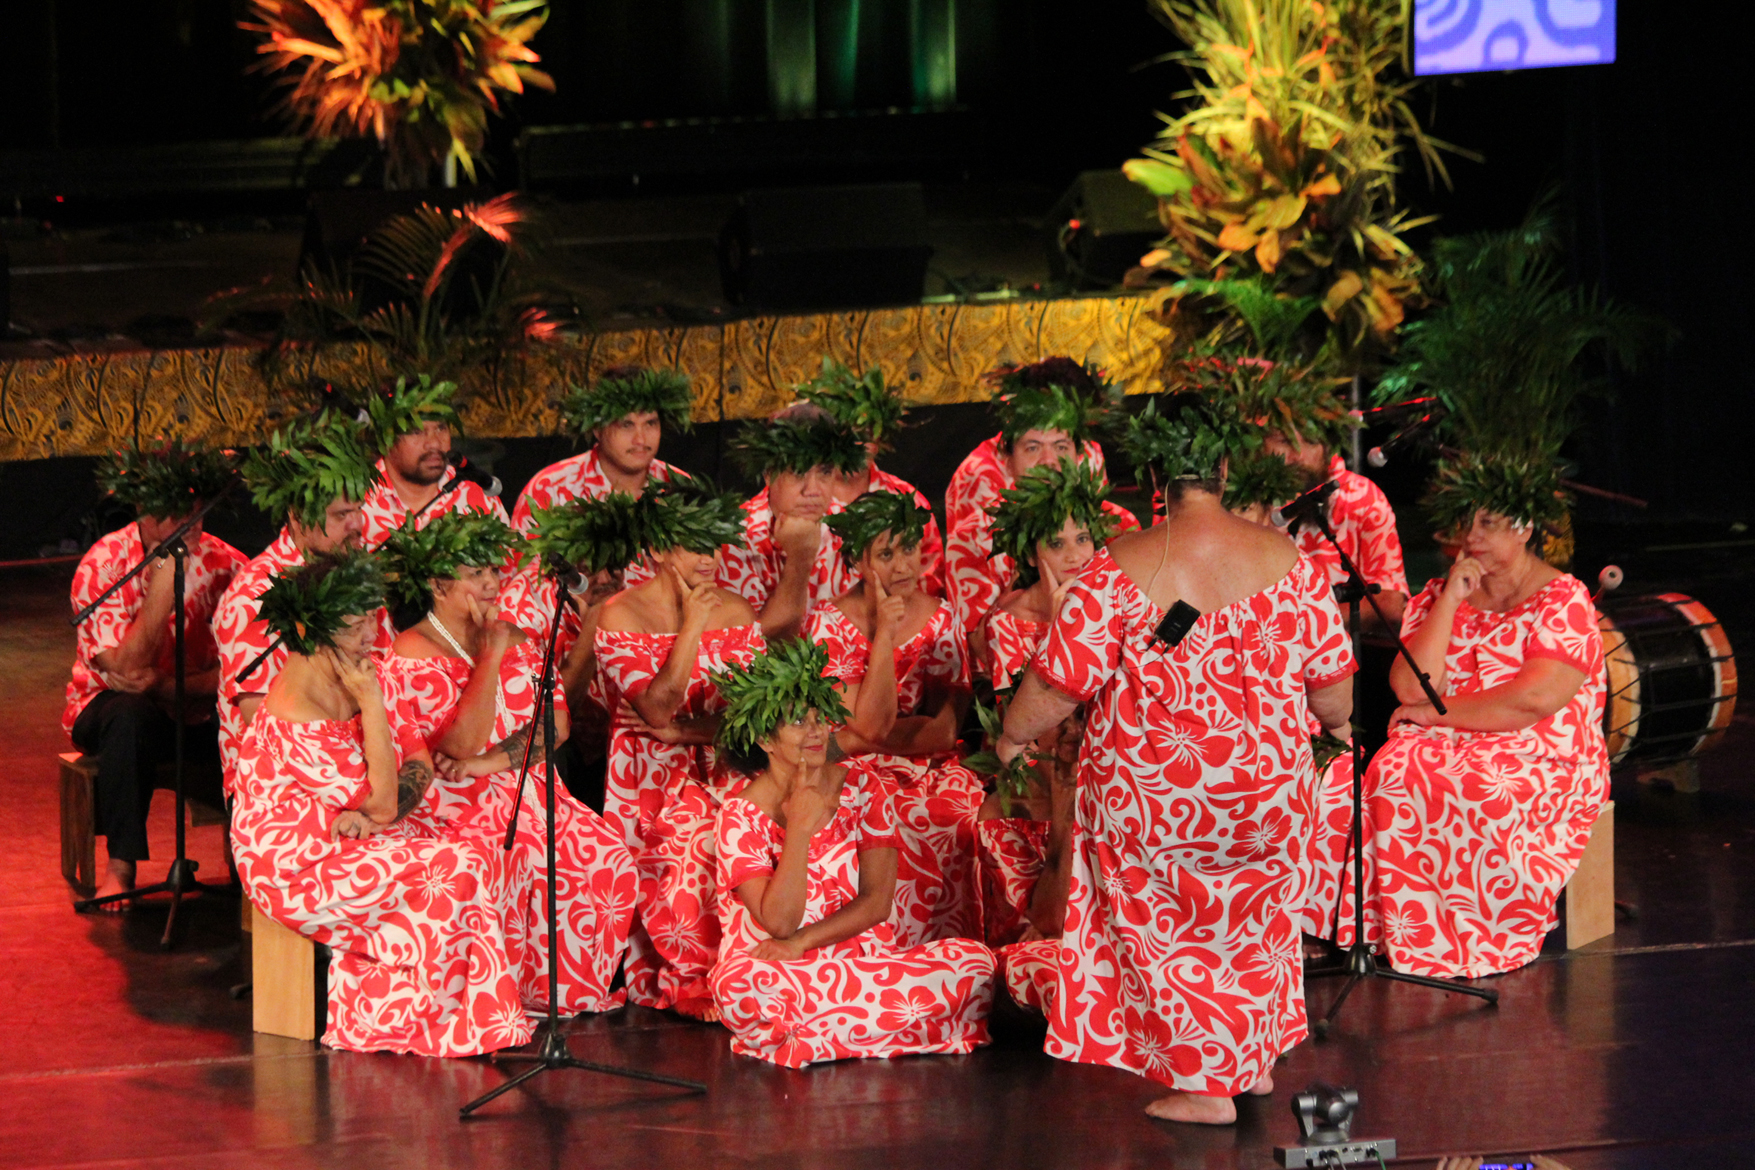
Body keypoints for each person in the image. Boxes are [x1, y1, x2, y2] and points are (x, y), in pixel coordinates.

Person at [996, 393, 1355, 1125]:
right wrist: (1331, 726)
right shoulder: (1288, 561)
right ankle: (1244, 1064)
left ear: (1154, 473)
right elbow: (1334, 697)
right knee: (1252, 924)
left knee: (1167, 928)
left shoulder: (1118, 567)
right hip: (1269, 795)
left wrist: (1008, 740)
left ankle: (1202, 1084)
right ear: (1225, 466)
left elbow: (1055, 686)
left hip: (1155, 804)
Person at [1314, 454, 1608, 979]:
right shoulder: (1440, 593)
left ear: (1522, 528)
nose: (1471, 537)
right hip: (1445, 732)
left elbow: (1531, 702)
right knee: (1376, 772)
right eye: (1466, 522)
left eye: (1487, 524)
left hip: (1536, 748)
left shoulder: (1563, 600)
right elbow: (1408, 685)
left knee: (1463, 780)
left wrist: (1435, 718)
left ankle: (1461, 938)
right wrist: (1450, 600)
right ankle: (1382, 931)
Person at [229, 550, 532, 1057]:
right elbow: (388, 801)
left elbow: (417, 764)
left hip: (362, 831)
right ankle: (416, 1018)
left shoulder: (365, 669)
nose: (371, 634)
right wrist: (372, 711)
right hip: (297, 860)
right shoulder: (297, 708)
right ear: (312, 631)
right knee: (452, 866)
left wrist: (379, 803)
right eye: (354, 626)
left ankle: (462, 1007)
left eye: (373, 616)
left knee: (488, 845)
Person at [378, 509, 637, 1014]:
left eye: (494, 570)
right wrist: (489, 658)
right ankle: (498, 994)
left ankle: (554, 993)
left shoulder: (519, 637)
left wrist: (492, 764)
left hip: (524, 788)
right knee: (513, 856)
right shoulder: (413, 651)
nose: (492, 583)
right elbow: (456, 747)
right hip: (452, 803)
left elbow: (557, 725)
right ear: (438, 583)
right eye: (476, 574)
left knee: (603, 854)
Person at [709, 637, 996, 1066]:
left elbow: (878, 903)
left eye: (819, 717)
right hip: (778, 970)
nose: (816, 731)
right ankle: (880, 1026)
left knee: (974, 964)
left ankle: (816, 1032)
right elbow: (781, 924)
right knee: (739, 986)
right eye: (797, 722)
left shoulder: (865, 788)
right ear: (766, 740)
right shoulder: (739, 815)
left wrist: (807, 942)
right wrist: (800, 830)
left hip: (863, 967)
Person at [588, 479, 765, 1018]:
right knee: (691, 830)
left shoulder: (737, 613)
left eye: (715, 544)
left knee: (742, 820)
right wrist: (690, 629)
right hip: (647, 779)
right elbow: (657, 711)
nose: (710, 559)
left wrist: (690, 733)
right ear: (660, 550)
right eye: (695, 545)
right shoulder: (621, 615)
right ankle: (687, 980)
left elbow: (753, 719)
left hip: (726, 764)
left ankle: (743, 968)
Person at [67, 442, 245, 905]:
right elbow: (125, 670)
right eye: (169, 512)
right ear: (143, 509)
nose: (183, 523)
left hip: (198, 706)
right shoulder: (103, 564)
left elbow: (243, 669)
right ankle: (120, 867)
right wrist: (166, 574)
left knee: (251, 716)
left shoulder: (231, 566)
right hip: (110, 704)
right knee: (129, 716)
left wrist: (174, 688)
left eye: (192, 510)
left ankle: (248, 867)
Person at [810, 492, 981, 946]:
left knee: (950, 812)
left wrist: (856, 738)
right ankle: (863, 949)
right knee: (864, 811)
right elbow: (874, 723)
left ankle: (940, 949)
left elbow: (943, 730)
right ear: (857, 561)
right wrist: (884, 633)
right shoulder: (827, 624)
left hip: (927, 768)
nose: (905, 566)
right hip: (849, 770)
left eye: (909, 548)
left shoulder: (942, 618)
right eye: (886, 554)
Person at [972, 460, 1119, 956]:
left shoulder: (1117, 602)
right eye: (1057, 543)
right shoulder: (1008, 623)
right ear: (1032, 553)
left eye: (1084, 539)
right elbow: (1030, 734)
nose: (1075, 555)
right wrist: (1063, 631)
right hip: (1045, 766)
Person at [213, 413, 380, 788]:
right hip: (283, 779)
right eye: (341, 514)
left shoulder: (355, 572)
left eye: (358, 510)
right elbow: (259, 714)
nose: (356, 525)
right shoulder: (254, 595)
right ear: (299, 519)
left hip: (358, 755)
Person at [944, 357, 1125, 652]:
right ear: (1009, 458)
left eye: (1061, 446)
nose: (1049, 461)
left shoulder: (1119, 523)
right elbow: (972, 649)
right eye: (1033, 448)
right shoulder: (974, 536)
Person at [500, 367, 690, 640]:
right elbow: (517, 584)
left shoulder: (679, 488)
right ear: (598, 430)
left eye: (650, 423)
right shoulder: (551, 488)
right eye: (626, 425)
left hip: (661, 641)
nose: (640, 439)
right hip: (567, 643)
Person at [796, 359, 946, 596]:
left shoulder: (908, 500)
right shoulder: (800, 502)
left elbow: (930, 587)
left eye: (865, 432)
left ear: (879, 439)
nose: (858, 444)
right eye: (848, 434)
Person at [715, 409, 867, 640]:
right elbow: (749, 649)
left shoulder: (851, 528)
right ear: (769, 473)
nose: (813, 490)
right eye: (798, 472)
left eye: (824, 472)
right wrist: (800, 558)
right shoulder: (735, 539)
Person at [1263, 402, 1408, 630]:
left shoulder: (1362, 498)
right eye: (1283, 440)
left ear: (1327, 447)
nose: (1297, 455)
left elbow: (1389, 602)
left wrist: (1302, 631)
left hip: (1328, 656)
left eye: (1310, 441)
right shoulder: (1239, 502)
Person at [356, 375, 509, 547]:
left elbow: (510, 567)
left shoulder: (474, 493)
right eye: (416, 431)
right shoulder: (356, 502)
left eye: (441, 428)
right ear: (385, 440)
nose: (434, 443)